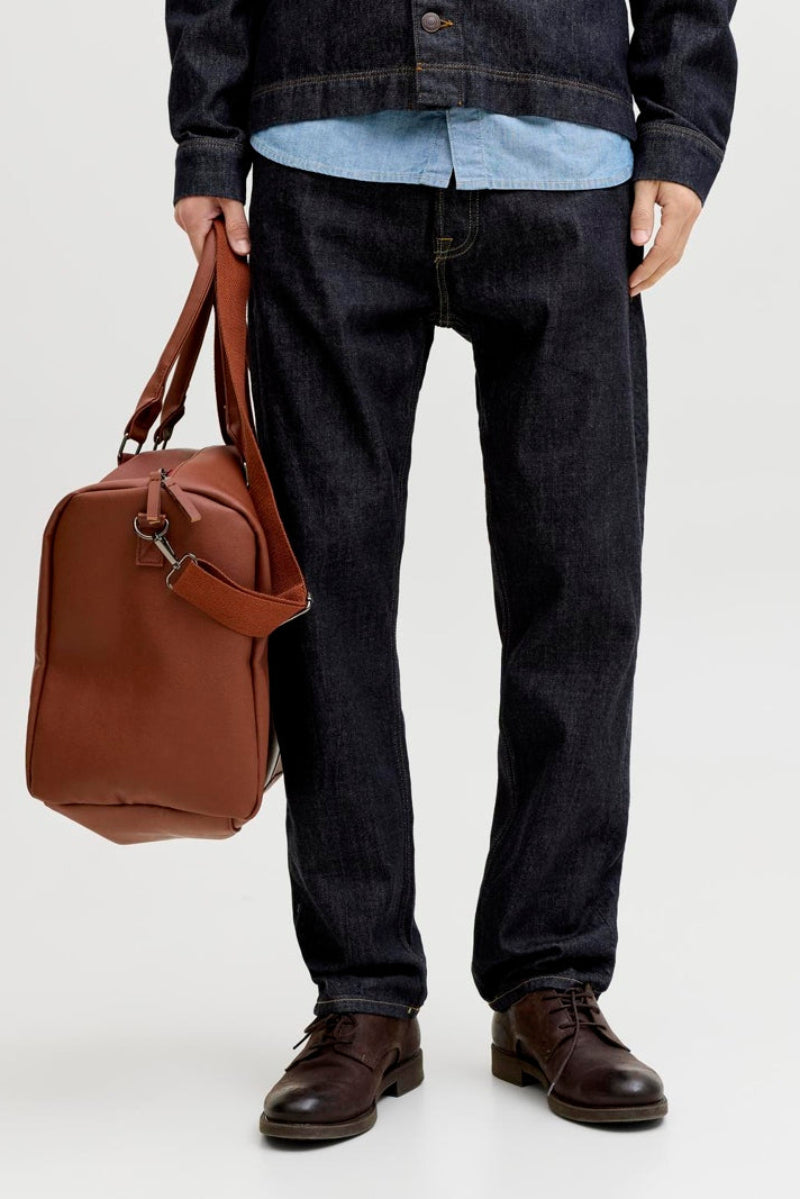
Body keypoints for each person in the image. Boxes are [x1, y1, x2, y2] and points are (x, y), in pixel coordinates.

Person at [166, 2, 738, 1138]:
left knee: (579, 593)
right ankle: (362, 994)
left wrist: (680, 128)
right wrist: (207, 138)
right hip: (325, 153)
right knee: (323, 601)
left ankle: (549, 977)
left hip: (564, 160)